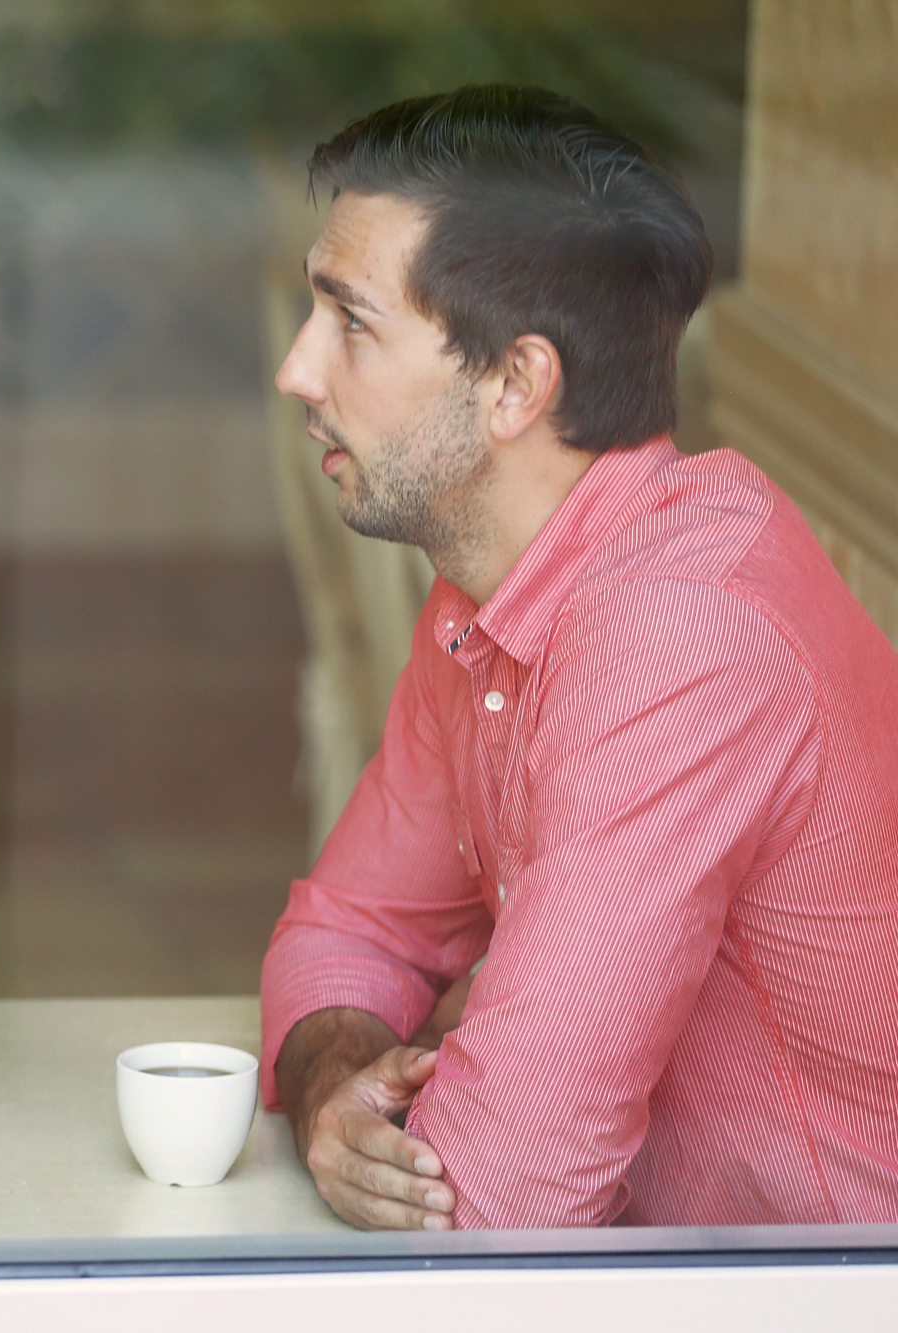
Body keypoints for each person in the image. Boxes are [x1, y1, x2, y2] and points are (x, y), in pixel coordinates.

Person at [260, 85, 898, 1231]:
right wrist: (333, 1096)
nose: (298, 370)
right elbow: (350, 931)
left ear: (514, 383)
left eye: (349, 322)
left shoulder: (681, 640)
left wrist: (401, 1124)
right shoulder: (490, 592)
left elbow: (501, 1194)